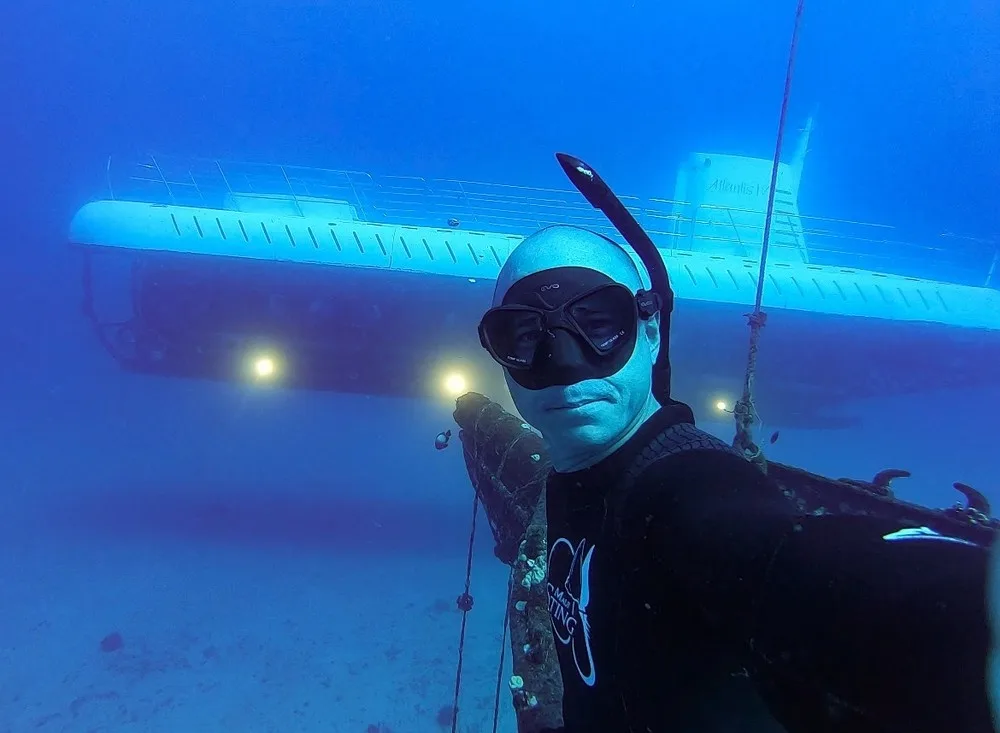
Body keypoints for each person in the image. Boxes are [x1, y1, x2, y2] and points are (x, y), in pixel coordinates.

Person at [476, 222, 994, 733]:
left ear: (651, 333)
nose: (566, 365)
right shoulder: (577, 476)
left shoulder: (683, 487)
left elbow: (772, 554)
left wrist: (973, 628)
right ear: (501, 360)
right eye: (524, 335)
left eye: (597, 323)